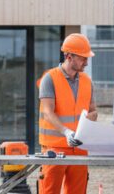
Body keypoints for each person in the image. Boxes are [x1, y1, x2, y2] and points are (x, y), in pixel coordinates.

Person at [37, 33, 97, 194]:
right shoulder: (49, 79)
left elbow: (93, 110)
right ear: (69, 57)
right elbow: (48, 112)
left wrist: (90, 119)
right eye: (83, 58)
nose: (86, 62)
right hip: (54, 149)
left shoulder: (87, 81)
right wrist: (66, 132)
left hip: (79, 148)